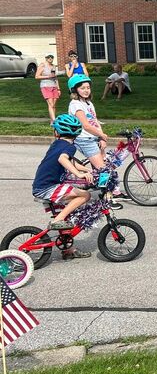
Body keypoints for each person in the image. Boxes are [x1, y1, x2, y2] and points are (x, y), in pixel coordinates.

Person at [31, 114, 93, 254]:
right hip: (48, 188)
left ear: (57, 132)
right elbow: (63, 159)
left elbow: (70, 162)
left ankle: (67, 249)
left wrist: (88, 170)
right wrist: (79, 174)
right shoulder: (69, 147)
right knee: (85, 195)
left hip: (42, 186)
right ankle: (57, 220)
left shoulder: (58, 144)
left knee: (67, 214)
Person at [67, 74, 109, 169]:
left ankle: (93, 178)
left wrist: (101, 137)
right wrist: (102, 135)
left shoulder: (88, 103)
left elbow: (95, 121)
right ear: (74, 90)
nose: (86, 90)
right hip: (84, 139)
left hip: (94, 137)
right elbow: (86, 126)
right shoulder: (76, 104)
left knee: (104, 165)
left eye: (88, 88)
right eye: (82, 88)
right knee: (103, 170)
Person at [35, 54, 61, 123]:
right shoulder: (42, 65)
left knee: (54, 105)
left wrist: (58, 88)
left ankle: (52, 121)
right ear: (46, 58)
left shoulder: (53, 66)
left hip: (54, 86)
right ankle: (54, 121)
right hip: (45, 86)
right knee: (50, 104)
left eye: (52, 57)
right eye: (48, 57)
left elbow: (55, 77)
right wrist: (48, 76)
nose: (50, 58)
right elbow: (37, 76)